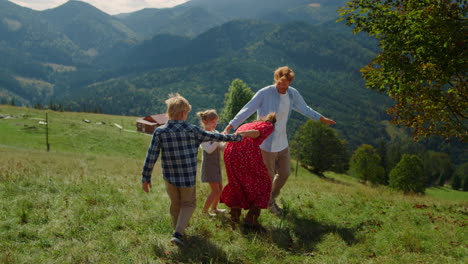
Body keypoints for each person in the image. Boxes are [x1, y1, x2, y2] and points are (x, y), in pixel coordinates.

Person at [223, 66, 336, 216]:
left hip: (282, 142)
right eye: (280, 82)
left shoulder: (292, 93)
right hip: (265, 143)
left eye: (286, 83)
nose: (282, 85)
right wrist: (231, 125)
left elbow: (304, 108)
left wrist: (321, 118)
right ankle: (262, 206)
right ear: (276, 79)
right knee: (267, 177)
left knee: (284, 173)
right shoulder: (265, 93)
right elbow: (248, 108)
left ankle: (270, 199)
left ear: (290, 82)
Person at [141, 93, 242, 246]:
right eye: (187, 112)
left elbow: (151, 156)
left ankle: (178, 229)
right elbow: (216, 137)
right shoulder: (192, 130)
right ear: (183, 113)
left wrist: (145, 177)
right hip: (187, 178)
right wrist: (237, 137)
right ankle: (178, 232)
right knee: (188, 204)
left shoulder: (160, 132)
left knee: (175, 204)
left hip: (169, 177)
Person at [220, 113, 277, 227]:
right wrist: (243, 134)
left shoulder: (249, 124)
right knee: (264, 182)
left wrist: (239, 133)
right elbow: (257, 133)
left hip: (230, 151)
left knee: (236, 182)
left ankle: (235, 216)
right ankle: (251, 218)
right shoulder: (268, 125)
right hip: (245, 153)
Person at [197, 109, 227, 216]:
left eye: (216, 122)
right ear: (205, 122)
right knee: (215, 190)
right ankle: (204, 212)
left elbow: (220, 147)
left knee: (220, 188)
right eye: (213, 122)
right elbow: (209, 149)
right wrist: (219, 139)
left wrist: (228, 144)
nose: (215, 124)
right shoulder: (203, 135)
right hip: (209, 167)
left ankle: (214, 208)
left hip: (216, 166)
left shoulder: (215, 133)